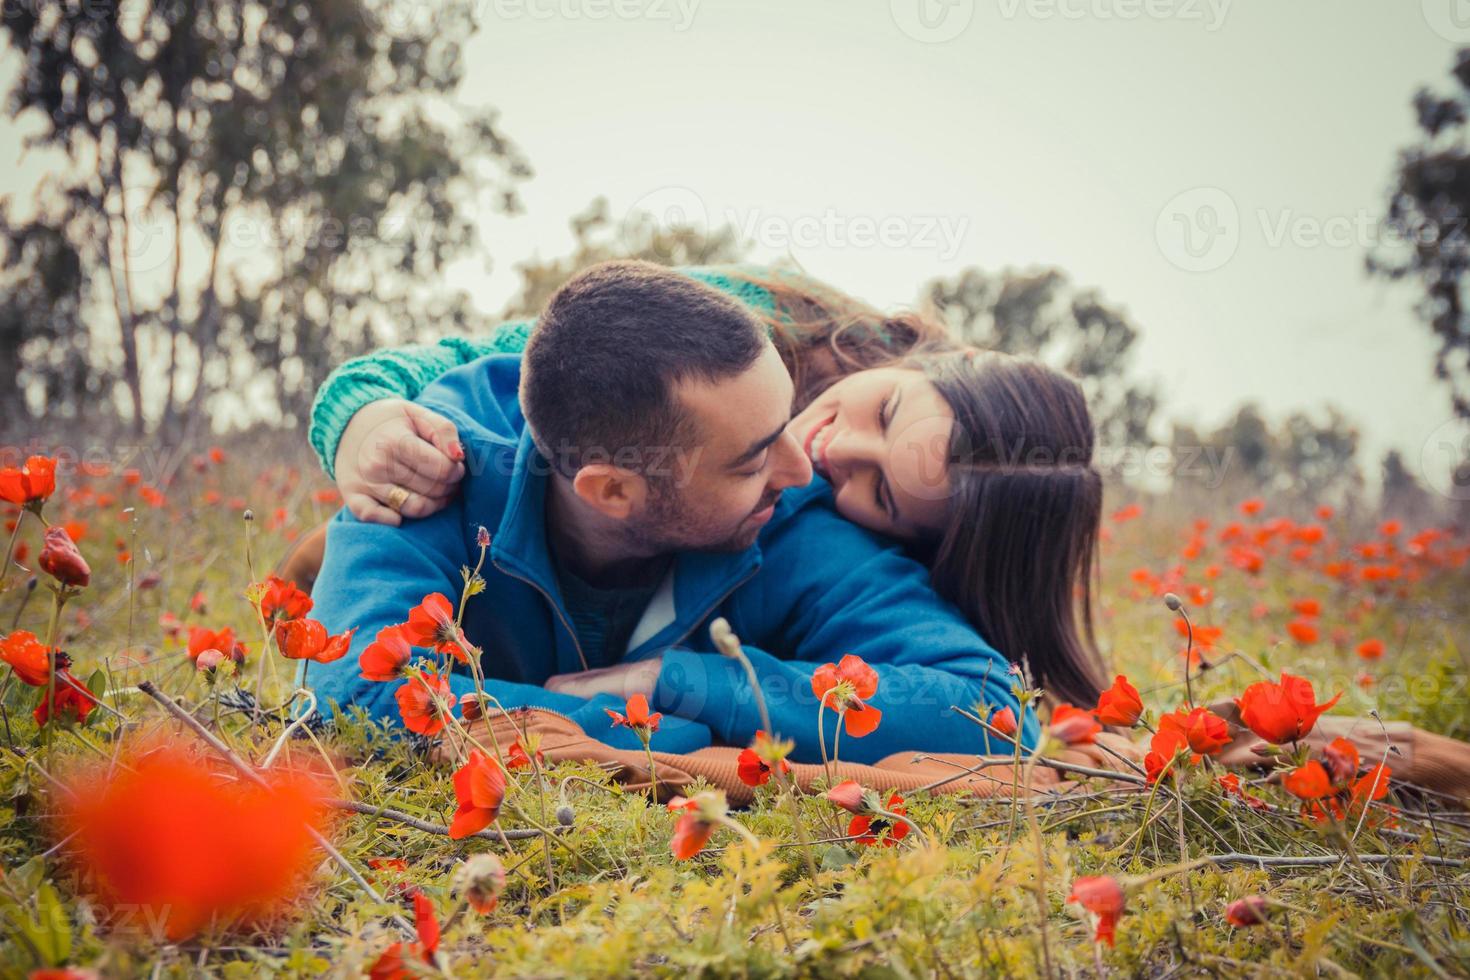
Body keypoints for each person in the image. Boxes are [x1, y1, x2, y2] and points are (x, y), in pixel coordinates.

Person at [306, 260, 1036, 763]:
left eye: (789, 419)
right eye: (752, 459)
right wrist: (657, 732)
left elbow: (993, 709)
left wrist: (685, 685)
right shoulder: (431, 464)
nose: (806, 464)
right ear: (614, 489)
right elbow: (352, 691)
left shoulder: (797, 513)